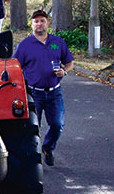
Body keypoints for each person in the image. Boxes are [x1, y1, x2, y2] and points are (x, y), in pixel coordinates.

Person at [13, 10, 74, 166]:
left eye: (42, 20)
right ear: (32, 24)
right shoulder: (25, 45)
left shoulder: (58, 42)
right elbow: (15, 66)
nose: (39, 24)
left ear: (48, 23)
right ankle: (34, 158)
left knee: (58, 124)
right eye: (36, 21)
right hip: (34, 93)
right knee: (32, 128)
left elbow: (69, 62)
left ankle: (47, 148)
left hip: (54, 92)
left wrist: (64, 71)